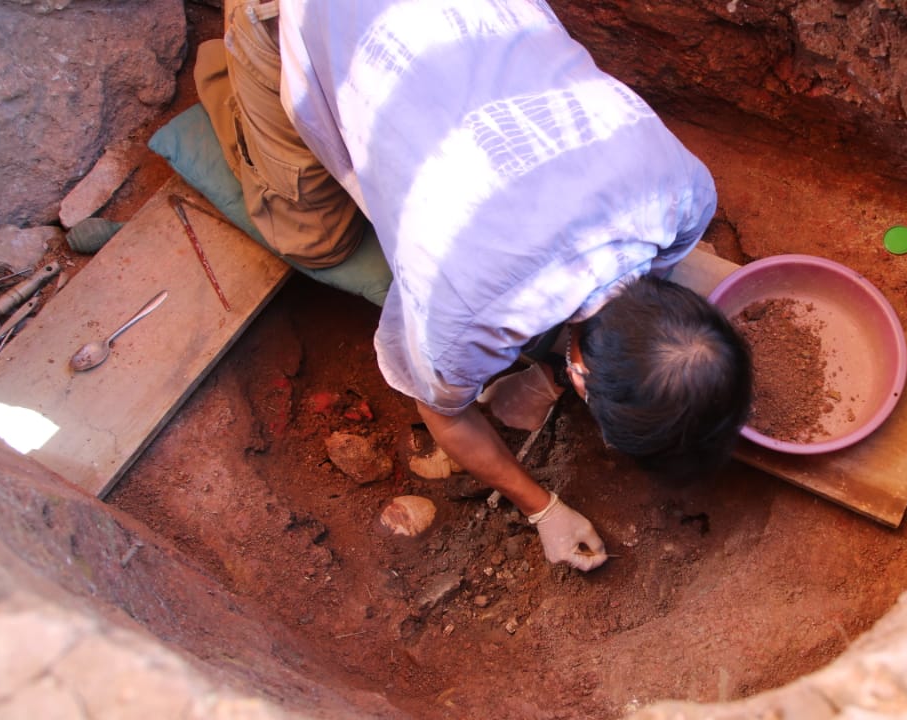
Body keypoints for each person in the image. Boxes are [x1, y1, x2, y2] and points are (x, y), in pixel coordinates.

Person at [193, 0, 753, 572]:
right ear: (578, 375)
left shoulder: (686, 192)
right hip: (308, 11)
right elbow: (445, 415)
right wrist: (543, 509)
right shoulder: (459, 323)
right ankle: (229, 62)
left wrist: (545, 370)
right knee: (315, 238)